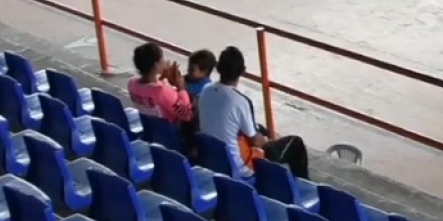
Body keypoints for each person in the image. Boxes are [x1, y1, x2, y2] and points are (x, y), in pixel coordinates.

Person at [199, 46, 309, 179]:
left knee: (259, 128)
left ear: (218, 68)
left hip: (212, 157)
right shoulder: (240, 101)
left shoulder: (206, 90)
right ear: (243, 71)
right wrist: (266, 141)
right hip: (239, 166)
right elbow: (256, 141)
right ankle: (303, 184)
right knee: (295, 144)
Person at [127, 42, 193, 124]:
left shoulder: (131, 84)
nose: (164, 61)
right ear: (156, 65)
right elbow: (187, 116)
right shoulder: (162, 91)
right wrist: (181, 88)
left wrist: (162, 81)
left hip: (150, 129)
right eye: (162, 59)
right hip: (169, 132)